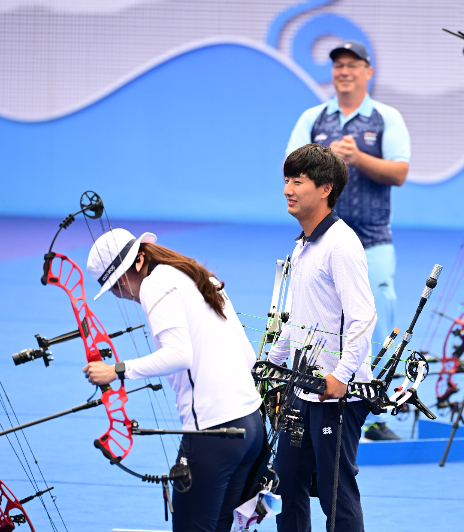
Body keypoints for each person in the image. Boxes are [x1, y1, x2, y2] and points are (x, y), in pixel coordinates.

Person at [82, 229, 263, 531]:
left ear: (139, 260)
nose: (121, 294)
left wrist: (116, 370)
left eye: (117, 285)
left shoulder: (156, 285)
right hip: (250, 428)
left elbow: (179, 355)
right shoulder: (193, 274)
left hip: (213, 433)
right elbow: (247, 355)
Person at [286, 41, 410, 442]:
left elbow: (399, 171)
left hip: (373, 239)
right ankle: (316, 393)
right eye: (338, 65)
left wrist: (358, 159)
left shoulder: (386, 117)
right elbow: (291, 166)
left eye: (352, 65)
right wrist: (327, 157)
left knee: (377, 320)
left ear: (367, 72)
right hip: (322, 242)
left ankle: (374, 411)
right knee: (315, 320)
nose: (344, 71)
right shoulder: (313, 117)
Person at [270, 144, 376, 531]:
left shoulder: (342, 244)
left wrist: (343, 376)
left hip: (337, 394)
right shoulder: (302, 245)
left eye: (298, 181)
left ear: (325, 188)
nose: (288, 189)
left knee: (335, 492)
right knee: (286, 481)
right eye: (286, 180)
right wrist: (269, 365)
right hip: (302, 387)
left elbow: (364, 317)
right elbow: (297, 319)